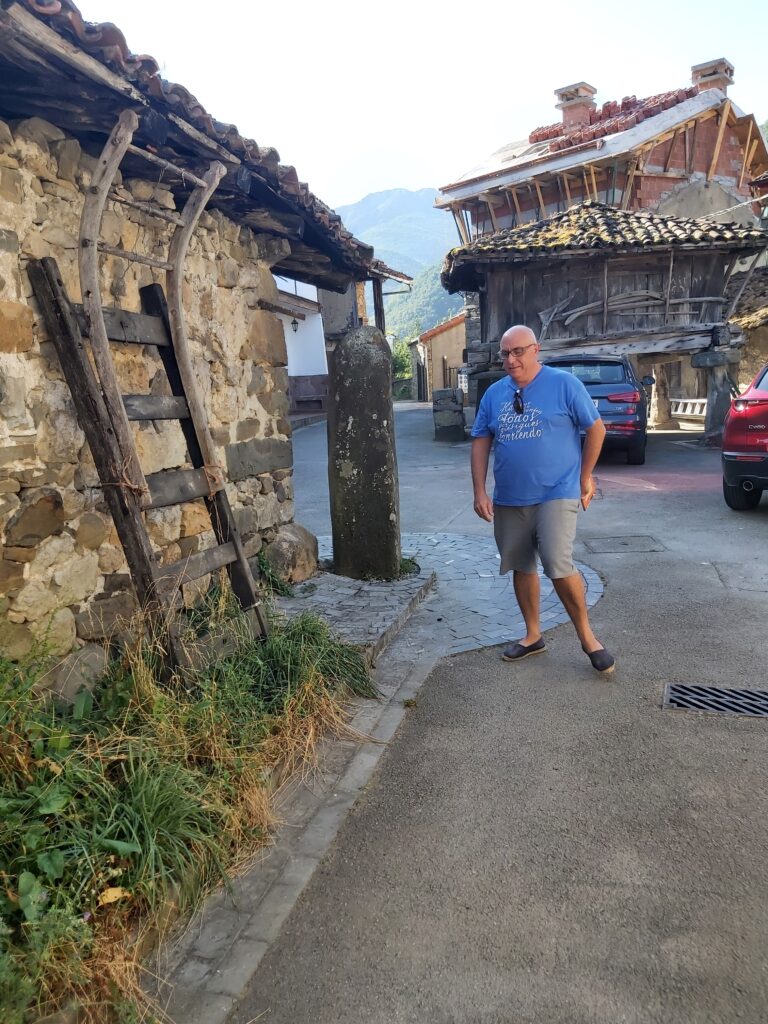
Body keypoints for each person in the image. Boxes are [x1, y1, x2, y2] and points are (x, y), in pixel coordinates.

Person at [470, 324, 615, 674]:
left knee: (556, 561)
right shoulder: (494, 394)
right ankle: (533, 634)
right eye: (505, 353)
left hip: (557, 491)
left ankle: (587, 637)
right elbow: (480, 440)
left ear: (536, 350)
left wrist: (584, 476)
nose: (511, 359)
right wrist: (479, 490)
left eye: (518, 351)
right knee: (521, 564)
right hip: (509, 497)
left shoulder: (564, 385)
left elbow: (596, 429)